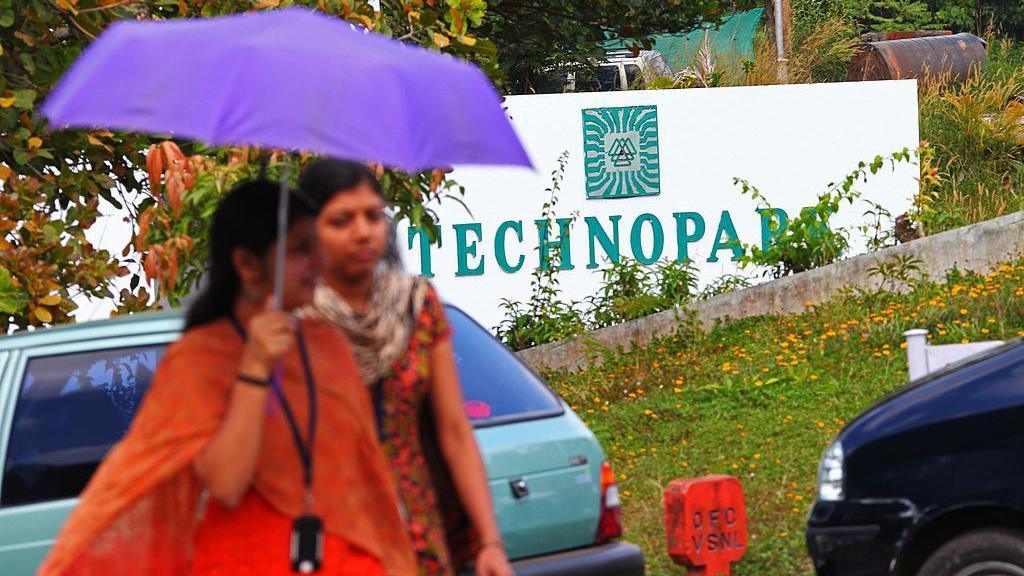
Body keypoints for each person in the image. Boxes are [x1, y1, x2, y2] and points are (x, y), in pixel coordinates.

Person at [39, 179, 416, 576]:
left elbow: (363, 480)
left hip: (345, 558)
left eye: (315, 246)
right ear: (248, 265)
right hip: (244, 560)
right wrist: (255, 366)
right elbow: (226, 483)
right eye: (301, 249)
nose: (320, 263)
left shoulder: (328, 348)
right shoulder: (201, 358)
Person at [299, 160, 513, 576]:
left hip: (417, 534)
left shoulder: (415, 305)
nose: (362, 232)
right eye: (341, 220)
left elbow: (453, 430)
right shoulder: (295, 323)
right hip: (331, 538)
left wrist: (489, 542)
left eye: (372, 216)